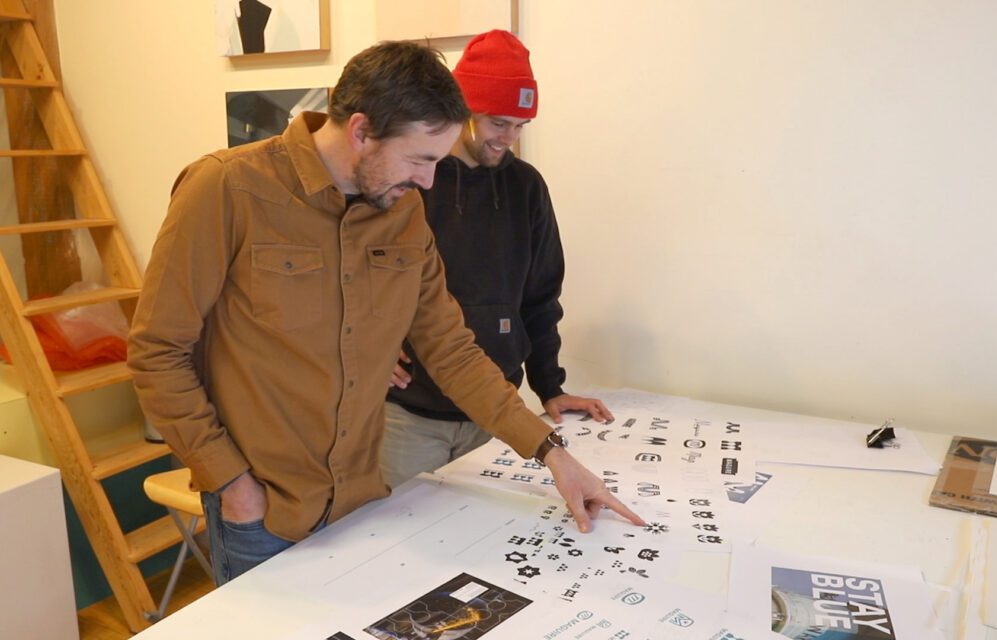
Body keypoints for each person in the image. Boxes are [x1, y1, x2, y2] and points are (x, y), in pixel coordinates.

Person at [127, 40, 642, 586]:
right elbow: (158, 352)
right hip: (263, 510)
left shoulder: (403, 210)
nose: (429, 181)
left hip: (362, 498)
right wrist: (232, 484)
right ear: (361, 131)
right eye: (420, 160)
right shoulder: (226, 186)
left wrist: (552, 455)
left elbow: (452, 351)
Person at [381, 30, 613, 488]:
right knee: (392, 528)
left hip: (494, 415)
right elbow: (361, 278)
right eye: (498, 123)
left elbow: (541, 296)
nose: (509, 138)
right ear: (463, 110)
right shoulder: (413, 179)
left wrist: (550, 387)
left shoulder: (526, 187)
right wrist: (372, 348)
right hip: (407, 417)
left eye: (521, 126)